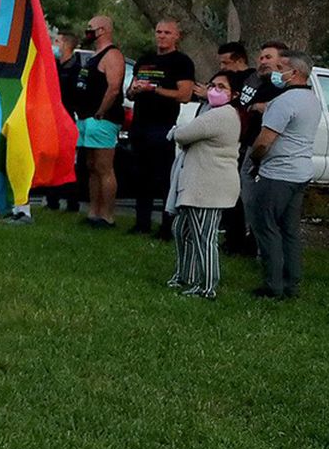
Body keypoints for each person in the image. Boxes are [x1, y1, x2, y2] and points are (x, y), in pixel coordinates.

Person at [244, 49, 322, 299]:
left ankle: (273, 284)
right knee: (289, 230)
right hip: (300, 172)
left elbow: (264, 142)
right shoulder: (312, 99)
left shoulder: (284, 102)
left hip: (278, 173)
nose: (275, 74)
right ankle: (291, 282)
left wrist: (255, 161)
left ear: (294, 73)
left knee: (266, 228)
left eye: (280, 69)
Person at [165, 72, 243, 298]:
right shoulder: (212, 112)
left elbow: (184, 134)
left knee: (204, 237)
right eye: (212, 85)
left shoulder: (222, 115)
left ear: (234, 94)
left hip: (210, 187)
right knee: (182, 230)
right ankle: (185, 275)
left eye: (222, 87)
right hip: (197, 184)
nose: (214, 90)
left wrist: (176, 132)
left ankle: (207, 286)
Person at [126, 18, 197, 238]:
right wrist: (136, 90)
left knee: (163, 177)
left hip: (162, 125)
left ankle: (167, 226)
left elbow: (184, 95)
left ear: (177, 36)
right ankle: (141, 223)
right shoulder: (145, 60)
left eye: (167, 32)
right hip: (140, 123)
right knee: (140, 175)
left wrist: (154, 90)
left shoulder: (181, 62)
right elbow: (129, 92)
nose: (162, 36)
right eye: (159, 32)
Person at [225, 40, 286, 256]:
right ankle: (236, 241)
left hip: (266, 147)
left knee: (259, 199)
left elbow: (284, 109)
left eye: (268, 57)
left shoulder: (283, 86)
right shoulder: (255, 80)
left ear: (282, 60)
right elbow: (243, 104)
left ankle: (257, 245)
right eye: (261, 57)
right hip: (246, 142)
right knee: (242, 195)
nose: (263, 61)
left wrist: (263, 106)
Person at [75, 15, 127, 228]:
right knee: (92, 165)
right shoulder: (94, 56)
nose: (88, 32)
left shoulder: (112, 55)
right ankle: (94, 212)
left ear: (103, 30)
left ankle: (107, 215)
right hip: (87, 118)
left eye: (91, 28)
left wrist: (100, 111)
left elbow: (113, 87)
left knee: (104, 167)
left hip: (103, 118)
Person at [46, 30, 89, 212]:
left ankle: (72, 201)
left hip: (68, 118)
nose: (54, 45)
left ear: (65, 45)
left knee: (68, 161)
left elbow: (77, 95)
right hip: (52, 117)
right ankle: (52, 200)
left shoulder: (77, 69)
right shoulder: (54, 66)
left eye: (57, 41)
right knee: (51, 159)